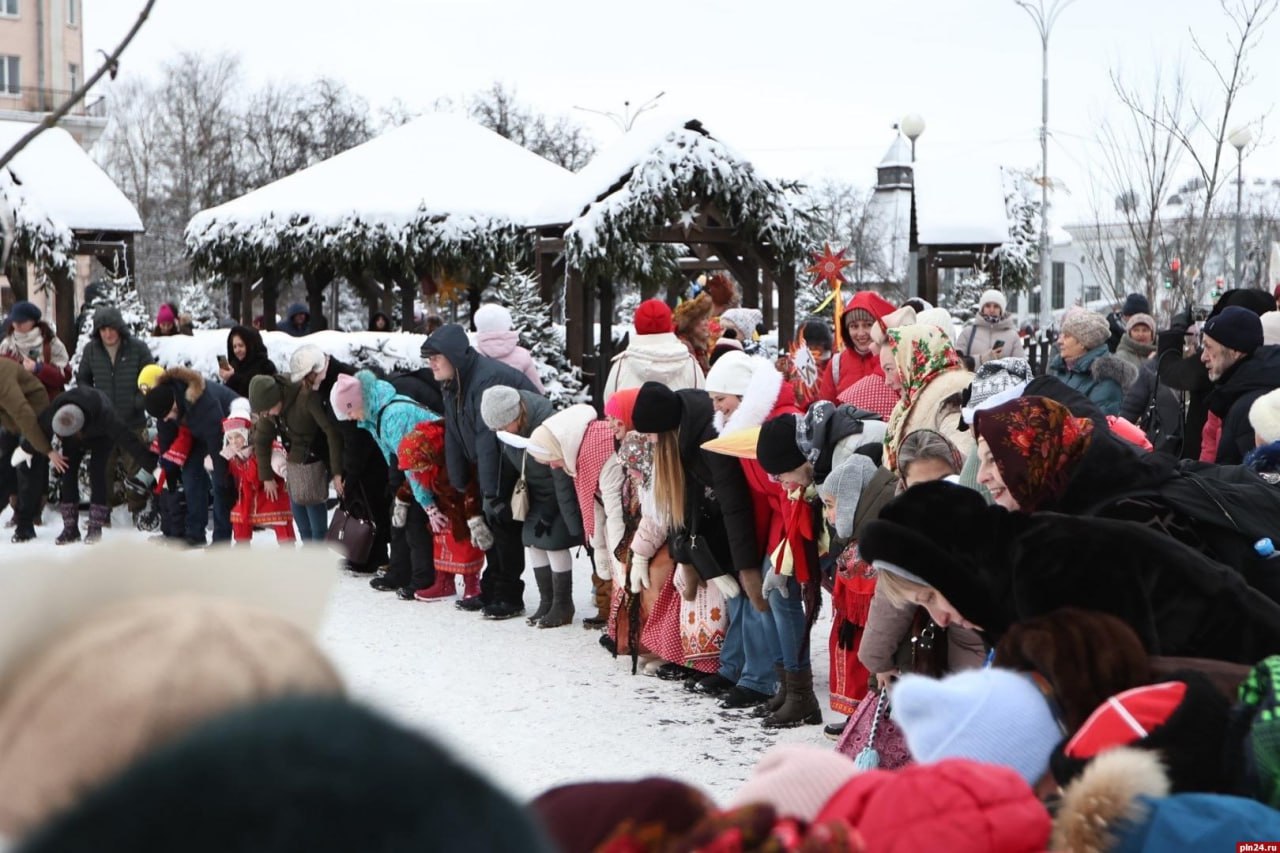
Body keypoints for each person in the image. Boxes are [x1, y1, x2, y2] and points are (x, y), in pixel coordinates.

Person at [859, 480, 1280, 662]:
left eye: (931, 595)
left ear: (956, 564)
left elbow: (1119, 702)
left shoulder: (1049, 568)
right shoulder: (1014, 575)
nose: (941, 618)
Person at [701, 353, 816, 726]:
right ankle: (784, 684)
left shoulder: (778, 420)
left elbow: (787, 489)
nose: (717, 408)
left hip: (796, 517)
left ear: (741, 393)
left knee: (783, 600)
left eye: (722, 399)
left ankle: (800, 691)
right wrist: (757, 553)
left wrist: (783, 549)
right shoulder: (743, 428)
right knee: (769, 596)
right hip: (776, 522)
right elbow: (758, 497)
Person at [631, 381, 762, 705]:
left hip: (750, 522)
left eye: (650, 434)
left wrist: (744, 564)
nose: (647, 441)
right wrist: (688, 557)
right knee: (736, 600)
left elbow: (734, 502)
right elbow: (687, 504)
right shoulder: (684, 435)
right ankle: (731, 668)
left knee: (749, 599)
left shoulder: (707, 436)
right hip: (721, 526)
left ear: (665, 429)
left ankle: (754, 675)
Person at [420, 323, 538, 619]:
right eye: (429, 358)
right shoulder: (454, 382)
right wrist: (460, 479)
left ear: (454, 357)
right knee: (490, 518)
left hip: (515, 453)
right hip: (493, 458)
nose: (431, 363)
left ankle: (509, 595)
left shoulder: (486, 379)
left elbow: (488, 439)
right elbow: (455, 432)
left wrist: (489, 492)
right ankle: (491, 588)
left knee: (502, 521)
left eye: (436, 357)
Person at [330, 370, 439, 599]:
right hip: (411, 467)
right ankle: (400, 572)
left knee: (415, 520)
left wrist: (427, 502)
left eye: (348, 411)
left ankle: (423, 579)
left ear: (357, 402)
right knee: (396, 514)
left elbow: (412, 464)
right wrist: (395, 490)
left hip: (432, 467)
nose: (349, 418)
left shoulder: (393, 415)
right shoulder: (372, 417)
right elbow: (392, 456)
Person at [482, 386, 582, 626]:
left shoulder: (547, 427)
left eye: (503, 426)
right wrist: (496, 498)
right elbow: (506, 466)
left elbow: (562, 475)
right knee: (532, 542)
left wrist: (550, 513)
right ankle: (546, 601)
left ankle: (563, 604)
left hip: (559, 495)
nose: (501, 433)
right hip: (535, 493)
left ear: (517, 416)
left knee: (553, 543)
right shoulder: (510, 433)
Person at [289, 345, 393, 575]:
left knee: (372, 505)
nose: (305, 385)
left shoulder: (341, 383)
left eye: (306, 378)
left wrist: (348, 472)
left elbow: (355, 435)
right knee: (361, 505)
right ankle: (364, 555)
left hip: (369, 456)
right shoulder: (325, 386)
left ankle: (376, 557)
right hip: (355, 455)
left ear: (315, 371)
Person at [523, 404, 620, 631]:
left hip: (624, 517)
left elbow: (615, 510)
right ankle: (609, 613)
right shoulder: (579, 453)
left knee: (615, 550)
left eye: (551, 460)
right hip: (610, 515)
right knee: (601, 543)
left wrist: (616, 553)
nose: (554, 466)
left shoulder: (599, 448)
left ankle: (617, 616)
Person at [41, 387, 157, 544]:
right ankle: (70, 529)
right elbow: (36, 431)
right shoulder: (55, 411)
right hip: (71, 433)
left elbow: (130, 441)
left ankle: (95, 529)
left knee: (98, 474)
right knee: (67, 474)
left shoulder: (106, 417)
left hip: (101, 437)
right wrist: (42, 451)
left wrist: (152, 465)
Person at [143, 367, 239, 546]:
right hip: (198, 431)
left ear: (174, 404)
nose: (165, 419)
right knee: (190, 476)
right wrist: (168, 470)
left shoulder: (204, 403)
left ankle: (222, 540)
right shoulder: (164, 402)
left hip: (229, 428)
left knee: (220, 483)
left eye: (168, 415)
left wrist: (223, 475)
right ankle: (195, 534)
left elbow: (217, 443)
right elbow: (166, 438)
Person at [247, 373, 344, 544]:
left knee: (312, 503)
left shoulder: (305, 397)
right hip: (294, 461)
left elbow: (331, 432)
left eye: (267, 410)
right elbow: (261, 440)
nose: (266, 414)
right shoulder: (269, 411)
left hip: (316, 457)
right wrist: (267, 476)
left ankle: (318, 550)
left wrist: (337, 471)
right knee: (297, 505)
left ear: (276, 398)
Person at [76, 305, 153, 514]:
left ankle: (139, 512)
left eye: (111, 328)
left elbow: (151, 379)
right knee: (102, 471)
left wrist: (137, 402)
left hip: (133, 423)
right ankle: (104, 514)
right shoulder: (91, 350)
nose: (108, 334)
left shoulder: (138, 348)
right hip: (104, 424)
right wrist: (93, 402)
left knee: (137, 469)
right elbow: (82, 378)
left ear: (119, 328)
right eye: (103, 330)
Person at [397, 421, 485, 603]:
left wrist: (473, 516)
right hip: (444, 508)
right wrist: (402, 499)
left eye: (418, 466)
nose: (417, 471)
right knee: (442, 543)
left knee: (467, 545)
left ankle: (471, 584)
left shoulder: (449, 458)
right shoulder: (422, 467)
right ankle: (444, 582)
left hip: (463, 508)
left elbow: (470, 485)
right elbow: (413, 482)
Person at [881, 323, 975, 470]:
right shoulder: (906, 405)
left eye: (890, 369)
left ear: (912, 363)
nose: (886, 382)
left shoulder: (952, 401)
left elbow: (962, 468)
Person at [1201, 305, 1280, 465]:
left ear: (1235, 351)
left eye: (1209, 347)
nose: (1203, 357)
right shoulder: (1237, 392)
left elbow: (1250, 482)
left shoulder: (1250, 405)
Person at [220, 398, 294, 544]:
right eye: (230, 438)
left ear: (246, 434)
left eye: (237, 437)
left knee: (280, 519)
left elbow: (276, 453)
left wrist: (279, 467)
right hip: (247, 495)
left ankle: (288, 549)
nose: (234, 441)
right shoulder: (231, 453)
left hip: (270, 491)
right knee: (239, 519)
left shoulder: (262, 443)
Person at [604, 299, 704, 399]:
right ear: (669, 324)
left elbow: (610, 405)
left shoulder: (622, 365)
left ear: (637, 325)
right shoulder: (689, 364)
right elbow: (701, 403)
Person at [1047, 310, 1136, 416]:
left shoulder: (1106, 379)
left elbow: (1097, 425)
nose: (1059, 341)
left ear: (1083, 343)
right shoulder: (1062, 370)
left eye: (1067, 336)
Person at [0, 358, 51, 542]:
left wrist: (45, 448)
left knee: (27, 467)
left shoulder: (3, 379)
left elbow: (24, 413)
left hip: (35, 414)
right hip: (9, 418)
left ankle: (26, 524)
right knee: (4, 468)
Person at [816, 290, 896, 404]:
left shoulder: (891, 359)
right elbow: (825, 409)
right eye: (854, 326)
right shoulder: (836, 365)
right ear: (847, 329)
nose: (861, 333)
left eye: (867, 325)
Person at [0, 300, 71, 398]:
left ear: (33, 321)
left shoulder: (50, 343)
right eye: (14, 320)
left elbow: (65, 375)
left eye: (22, 321)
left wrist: (39, 368)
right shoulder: (6, 346)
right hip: (16, 404)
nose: (17, 324)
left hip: (46, 403)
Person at [472, 302, 545, 392]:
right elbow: (537, 391)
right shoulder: (522, 355)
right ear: (507, 323)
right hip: (517, 404)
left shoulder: (473, 356)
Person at [955, 289, 1026, 369]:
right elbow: (956, 363)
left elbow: (1021, 367)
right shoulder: (968, 333)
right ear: (982, 308)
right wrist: (981, 360)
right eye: (988, 306)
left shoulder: (1012, 335)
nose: (991, 310)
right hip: (973, 380)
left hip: (1002, 381)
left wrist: (1002, 365)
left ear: (1001, 310)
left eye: (996, 306)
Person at [216, 325, 276, 397]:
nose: (237, 350)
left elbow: (253, 393)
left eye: (241, 345)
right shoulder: (235, 366)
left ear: (251, 345)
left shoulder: (265, 367)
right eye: (234, 347)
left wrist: (232, 378)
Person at [672, 292, 714, 375]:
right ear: (691, 323)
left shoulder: (698, 344)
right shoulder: (685, 345)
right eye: (702, 319)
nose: (706, 323)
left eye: (707, 318)